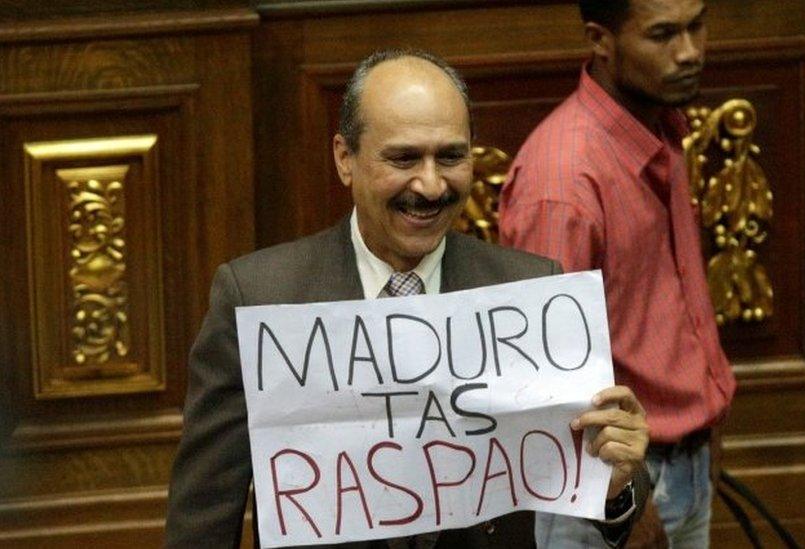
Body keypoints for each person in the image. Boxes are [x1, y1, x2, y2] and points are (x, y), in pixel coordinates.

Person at [165, 49, 653, 548]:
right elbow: (204, 514)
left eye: (450, 156)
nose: (431, 184)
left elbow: (597, 500)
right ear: (344, 159)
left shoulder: (528, 296)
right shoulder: (257, 299)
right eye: (403, 158)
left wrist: (615, 485)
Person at [499, 1, 736, 547]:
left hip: (685, 462)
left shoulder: (659, 125)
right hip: (611, 493)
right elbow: (547, 380)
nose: (690, 52)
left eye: (697, 25)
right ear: (600, 39)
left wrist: (707, 433)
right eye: (662, 35)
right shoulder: (562, 184)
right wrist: (627, 506)